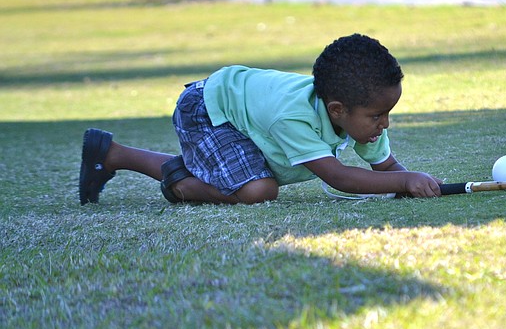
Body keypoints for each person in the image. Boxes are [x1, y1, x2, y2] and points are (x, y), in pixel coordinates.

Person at [79, 33, 442, 205]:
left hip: (247, 119)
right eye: (378, 116)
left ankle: (111, 152)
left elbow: (387, 167)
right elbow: (340, 177)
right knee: (258, 190)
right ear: (337, 110)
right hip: (209, 110)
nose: (385, 124)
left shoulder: (362, 113)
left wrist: (408, 182)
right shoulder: (294, 118)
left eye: (388, 113)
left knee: (254, 179)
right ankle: (173, 179)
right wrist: (406, 180)